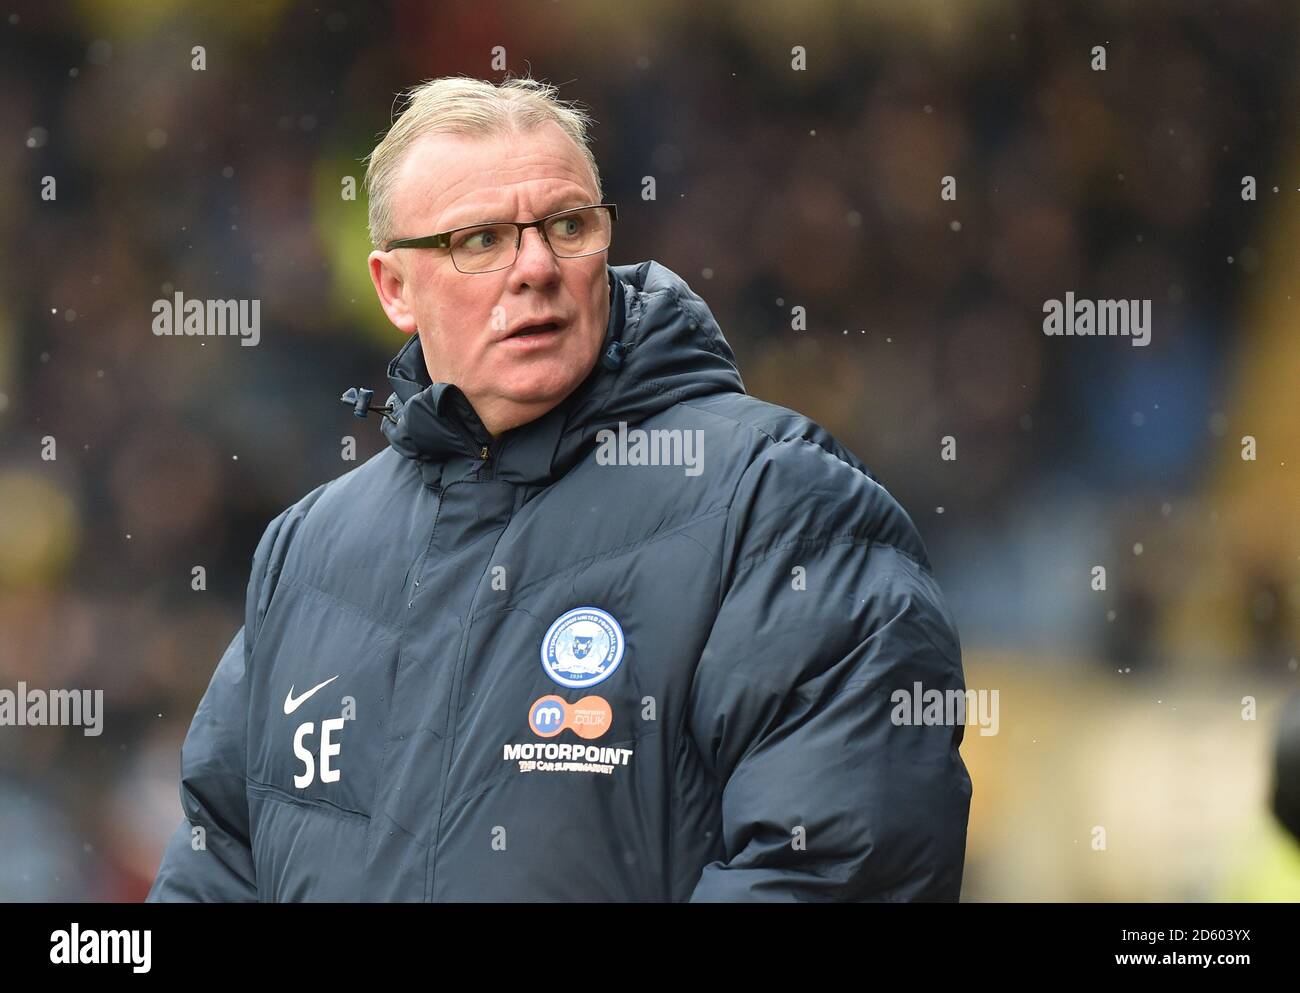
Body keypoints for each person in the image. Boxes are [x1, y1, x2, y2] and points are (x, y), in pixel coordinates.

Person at [147, 74, 972, 902]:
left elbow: (837, 870)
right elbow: (212, 868)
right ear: (394, 288)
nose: (536, 267)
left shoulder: (779, 505)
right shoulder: (307, 554)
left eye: (568, 226)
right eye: (480, 241)